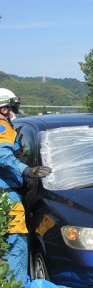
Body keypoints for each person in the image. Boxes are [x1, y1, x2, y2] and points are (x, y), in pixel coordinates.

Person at [0, 88, 52, 283]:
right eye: (12, 108)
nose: (14, 112)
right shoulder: (3, 127)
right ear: (4, 109)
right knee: (16, 244)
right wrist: (27, 170)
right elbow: (2, 155)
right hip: (7, 195)